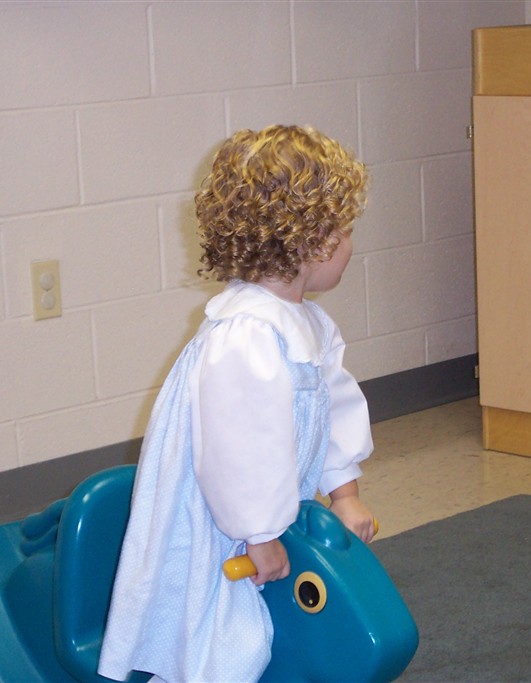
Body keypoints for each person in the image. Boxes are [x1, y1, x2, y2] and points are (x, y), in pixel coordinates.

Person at [98, 125, 375, 683]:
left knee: (256, 625)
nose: (350, 243)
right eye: (344, 229)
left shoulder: (309, 324)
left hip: (260, 511)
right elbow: (239, 448)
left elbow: (335, 410)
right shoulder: (246, 334)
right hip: (217, 515)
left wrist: (344, 493)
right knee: (223, 639)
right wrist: (260, 534)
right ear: (312, 240)